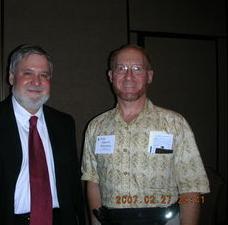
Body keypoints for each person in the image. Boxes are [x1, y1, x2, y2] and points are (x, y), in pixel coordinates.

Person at [0, 44, 85, 225]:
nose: (37, 82)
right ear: (11, 77)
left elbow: (73, 185)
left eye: (44, 75)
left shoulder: (64, 123)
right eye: (28, 73)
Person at [81, 44, 210, 225]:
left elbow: (192, 187)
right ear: (111, 76)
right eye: (121, 68)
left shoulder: (174, 124)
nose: (129, 76)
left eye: (137, 68)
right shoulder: (96, 127)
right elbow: (93, 181)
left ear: (149, 76)